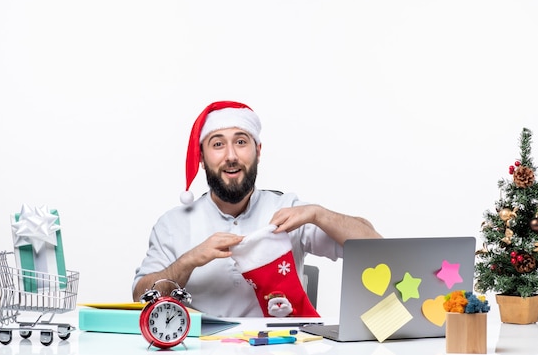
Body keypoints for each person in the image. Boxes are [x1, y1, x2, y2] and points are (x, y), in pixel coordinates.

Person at [132, 100, 381, 317]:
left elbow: (375, 246)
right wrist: (189, 261)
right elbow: (139, 298)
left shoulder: (288, 209)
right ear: (202, 157)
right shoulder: (172, 224)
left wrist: (319, 214)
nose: (231, 156)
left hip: (280, 348)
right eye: (217, 145)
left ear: (258, 151)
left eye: (241, 142)